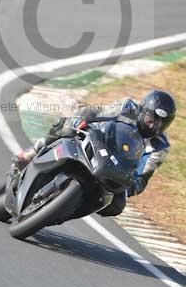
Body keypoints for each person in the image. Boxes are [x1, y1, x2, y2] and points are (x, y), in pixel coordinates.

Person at [13, 89, 176, 217]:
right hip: (96, 143)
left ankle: (66, 211)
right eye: (150, 119)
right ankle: (32, 153)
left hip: (114, 172)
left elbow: (143, 177)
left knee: (116, 206)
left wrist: (132, 184)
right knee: (67, 126)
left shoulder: (160, 146)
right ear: (143, 110)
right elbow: (97, 113)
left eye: (159, 124)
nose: (152, 126)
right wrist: (81, 119)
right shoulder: (128, 106)